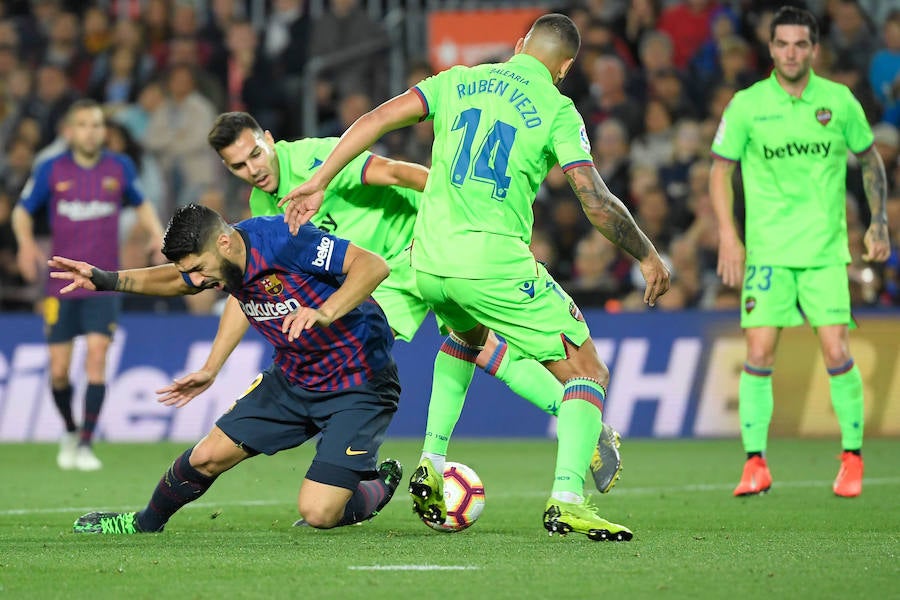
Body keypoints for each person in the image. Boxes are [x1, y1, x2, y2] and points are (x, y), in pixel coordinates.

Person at [280, 14, 670, 541]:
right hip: (491, 261)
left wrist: (319, 180)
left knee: (465, 339)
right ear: (566, 67)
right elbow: (594, 199)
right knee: (588, 371)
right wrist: (647, 255)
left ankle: (433, 460)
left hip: (429, 261)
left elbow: (375, 120)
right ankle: (568, 500)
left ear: (518, 45)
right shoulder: (558, 109)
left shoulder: (457, 79)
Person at [204, 112, 625, 510]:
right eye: (239, 165)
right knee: (468, 345)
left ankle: (346, 474)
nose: (253, 168)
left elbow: (397, 172)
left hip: (416, 247)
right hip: (379, 274)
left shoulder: (315, 159)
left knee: (366, 344)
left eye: (256, 153)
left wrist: (458, 210)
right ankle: (584, 427)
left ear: (270, 141)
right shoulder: (263, 204)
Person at [50, 203, 403, 534]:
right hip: (292, 379)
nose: (198, 280)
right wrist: (104, 279)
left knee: (318, 512)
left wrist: (326, 310)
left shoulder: (285, 238)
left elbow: (372, 265)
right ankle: (144, 524)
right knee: (206, 457)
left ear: (224, 241)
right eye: (191, 272)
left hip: (360, 382)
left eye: (200, 268)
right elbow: (177, 281)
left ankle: (377, 485)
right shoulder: (223, 265)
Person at [709, 7, 890, 499]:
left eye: (801, 44)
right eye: (783, 44)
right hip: (767, 254)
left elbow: (870, 158)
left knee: (837, 351)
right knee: (759, 353)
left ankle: (852, 457)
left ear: (814, 49)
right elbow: (719, 170)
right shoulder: (747, 105)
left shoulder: (838, 101)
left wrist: (879, 220)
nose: (791, 52)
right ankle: (755, 464)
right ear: (771, 49)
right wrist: (729, 233)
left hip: (826, 254)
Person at [11, 98, 165, 471]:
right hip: (60, 286)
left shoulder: (120, 167)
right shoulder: (51, 169)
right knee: (59, 370)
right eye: (83, 124)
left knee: (97, 358)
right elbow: (21, 210)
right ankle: (68, 429)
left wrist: (157, 233)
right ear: (69, 131)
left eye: (97, 125)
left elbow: (141, 203)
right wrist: (26, 244)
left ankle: (84, 444)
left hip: (103, 282)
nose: (92, 131)